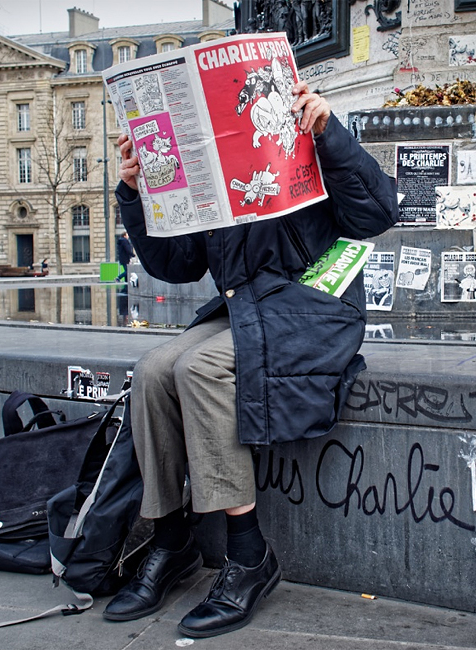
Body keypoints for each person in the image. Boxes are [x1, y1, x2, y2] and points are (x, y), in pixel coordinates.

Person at [104, 80, 399, 638]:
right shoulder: (214, 169)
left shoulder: (309, 141)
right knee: (152, 371)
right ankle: (170, 542)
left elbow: (379, 212)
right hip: (247, 312)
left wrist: (328, 132)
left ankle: (248, 555)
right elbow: (178, 264)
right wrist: (137, 193)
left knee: (198, 367)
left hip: (314, 308)